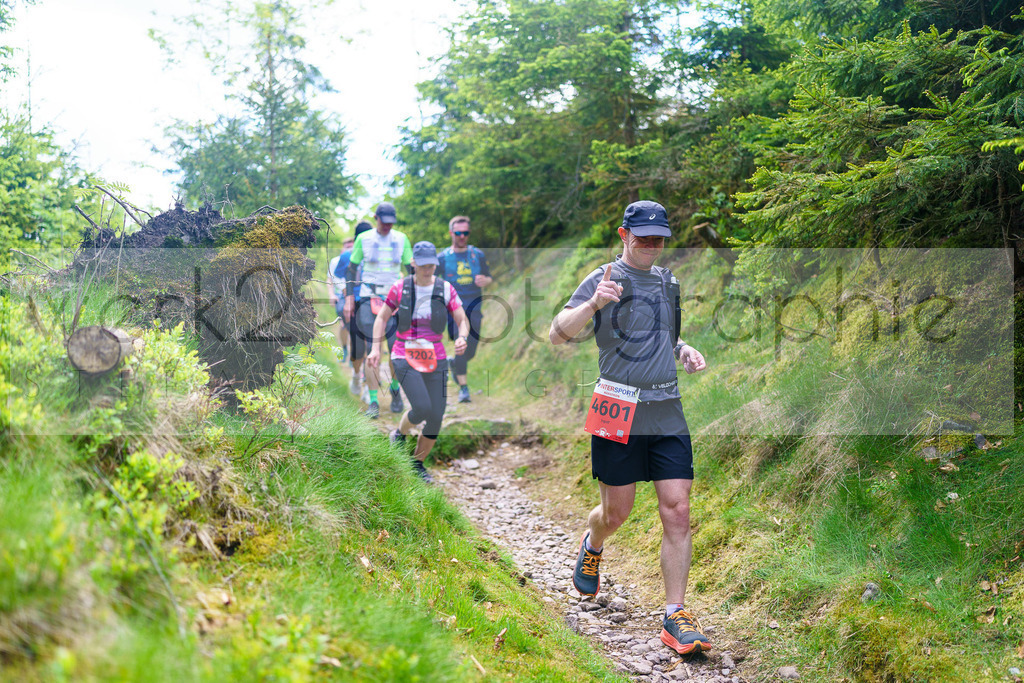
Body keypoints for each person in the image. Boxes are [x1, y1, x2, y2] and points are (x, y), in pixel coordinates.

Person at [548, 200, 710, 656]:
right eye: (644, 238)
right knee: (616, 513)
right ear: (624, 234)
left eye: (660, 239)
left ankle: (675, 614)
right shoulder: (603, 277)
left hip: (666, 406)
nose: (653, 246)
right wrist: (593, 303)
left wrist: (683, 349)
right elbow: (557, 333)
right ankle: (593, 541)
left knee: (677, 509)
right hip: (616, 406)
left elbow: (665, 333)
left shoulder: (668, 282)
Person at [366, 241, 469, 483]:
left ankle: (417, 464)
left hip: (436, 355)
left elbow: (462, 319)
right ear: (413, 263)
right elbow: (381, 318)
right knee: (422, 407)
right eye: (422, 265)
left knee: (437, 414)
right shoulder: (400, 287)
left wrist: (462, 337)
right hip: (403, 353)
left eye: (431, 265)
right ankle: (399, 434)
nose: (427, 269)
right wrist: (375, 348)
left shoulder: (445, 289)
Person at [345, 202, 413, 419]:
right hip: (369, 297)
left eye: (391, 223)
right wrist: (349, 298)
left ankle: (395, 389)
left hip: (395, 299)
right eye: (384, 222)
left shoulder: (401, 239)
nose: (387, 226)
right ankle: (373, 400)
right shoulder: (363, 239)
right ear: (376, 218)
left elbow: (411, 269)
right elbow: (351, 269)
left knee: (395, 349)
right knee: (370, 349)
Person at [437, 215, 492, 403]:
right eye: (458, 233)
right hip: (453, 310)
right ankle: (464, 388)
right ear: (451, 233)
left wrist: (485, 280)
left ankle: (454, 364)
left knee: (471, 350)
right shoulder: (442, 258)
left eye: (466, 233)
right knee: (462, 343)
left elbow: (489, 276)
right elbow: (431, 280)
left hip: (475, 308)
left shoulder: (478, 255)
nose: (462, 236)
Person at [328, 221, 373, 395]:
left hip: (372, 303)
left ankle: (369, 386)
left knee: (372, 345)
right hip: (353, 304)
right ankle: (356, 374)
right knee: (359, 345)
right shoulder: (347, 256)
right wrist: (346, 292)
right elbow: (337, 277)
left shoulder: (376, 255)